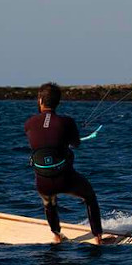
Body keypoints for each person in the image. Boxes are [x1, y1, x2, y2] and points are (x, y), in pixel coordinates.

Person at [24, 82, 103, 244]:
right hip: (66, 179)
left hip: (43, 182)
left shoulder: (29, 123)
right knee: (90, 197)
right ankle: (97, 237)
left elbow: (42, 143)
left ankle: (56, 235)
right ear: (58, 102)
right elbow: (76, 144)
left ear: (40, 101)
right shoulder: (67, 122)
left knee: (49, 202)